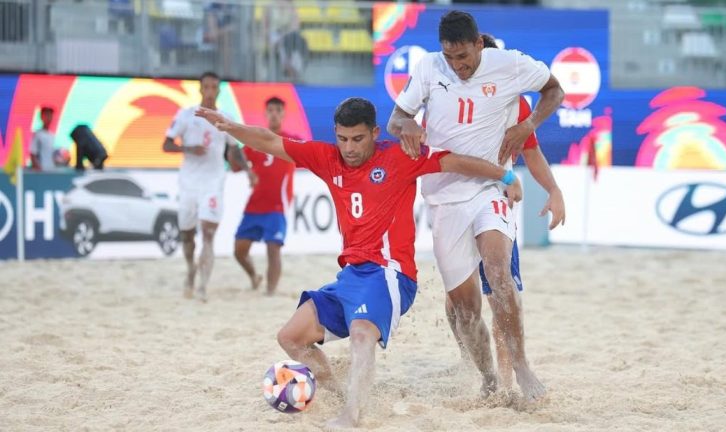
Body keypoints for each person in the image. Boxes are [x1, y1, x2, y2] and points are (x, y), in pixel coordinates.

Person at [195, 97, 519, 428]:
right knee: (290, 337)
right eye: (342, 138)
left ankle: (352, 414)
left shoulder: (400, 157)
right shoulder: (326, 157)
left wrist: (505, 178)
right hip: (350, 276)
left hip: (391, 273)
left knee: (361, 334)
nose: (349, 148)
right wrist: (229, 126)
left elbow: (456, 162)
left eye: (358, 139)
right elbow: (269, 141)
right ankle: (342, 392)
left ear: (375, 133)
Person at [387, 10, 564, 402]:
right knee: (464, 308)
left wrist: (529, 124)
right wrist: (409, 125)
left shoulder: (509, 64)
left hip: (490, 187)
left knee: (499, 271)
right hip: (443, 197)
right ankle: (486, 376)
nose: (458, 65)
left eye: (463, 56)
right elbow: (394, 119)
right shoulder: (428, 68)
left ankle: (521, 367)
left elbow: (555, 89)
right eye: (450, 57)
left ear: (479, 44)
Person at [445, 32, 567, 388]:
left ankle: (509, 374)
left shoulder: (516, 104)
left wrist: (554, 189)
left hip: (495, 201)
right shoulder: (452, 101)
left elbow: (531, 151)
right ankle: (471, 360)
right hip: (454, 203)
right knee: (455, 300)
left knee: (499, 285)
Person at [162, 71, 251, 302]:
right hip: (189, 183)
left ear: (219, 90)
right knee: (187, 235)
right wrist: (189, 149)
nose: (211, 91)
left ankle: (202, 286)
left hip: (214, 182)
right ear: (200, 90)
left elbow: (234, 147)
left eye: (214, 87)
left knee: (209, 233)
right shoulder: (186, 115)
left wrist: (247, 171)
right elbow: (167, 144)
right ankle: (191, 269)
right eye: (207, 87)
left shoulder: (225, 117)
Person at [230, 96, 297, 294]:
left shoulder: (291, 140)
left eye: (278, 110)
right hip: (255, 204)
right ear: (266, 113)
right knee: (239, 251)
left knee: (273, 248)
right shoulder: (255, 141)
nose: (274, 113)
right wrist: (231, 147)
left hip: (278, 206)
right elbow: (235, 165)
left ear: (283, 114)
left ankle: (270, 292)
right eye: (271, 110)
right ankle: (254, 276)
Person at [30, 107, 56, 171]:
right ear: (41, 117)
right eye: (46, 115)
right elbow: (33, 153)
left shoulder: (51, 135)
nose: (49, 118)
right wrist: (37, 167)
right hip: (41, 171)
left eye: (50, 115)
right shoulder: (38, 134)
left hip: (51, 169)